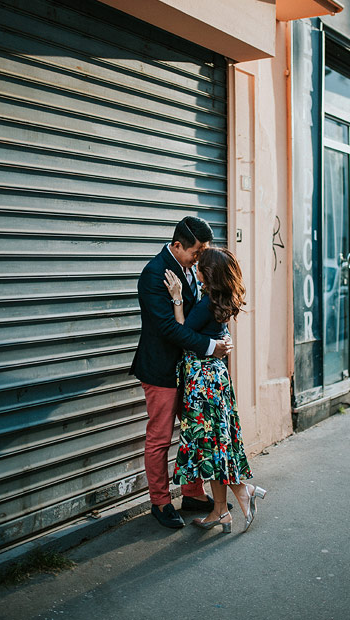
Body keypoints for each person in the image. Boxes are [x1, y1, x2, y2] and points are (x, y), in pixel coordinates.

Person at [130, 217, 233, 529]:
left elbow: (201, 314)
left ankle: (192, 493)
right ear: (177, 245)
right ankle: (160, 502)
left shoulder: (192, 269)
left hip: (191, 371)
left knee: (193, 433)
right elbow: (167, 328)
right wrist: (211, 346)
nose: (200, 258)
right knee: (160, 438)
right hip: (161, 369)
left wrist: (222, 336)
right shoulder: (153, 273)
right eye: (196, 252)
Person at [163, 246, 265, 533]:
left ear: (208, 273)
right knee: (215, 443)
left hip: (203, 380)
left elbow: (183, 333)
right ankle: (221, 511)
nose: (195, 268)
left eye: (200, 266)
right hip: (215, 377)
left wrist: (177, 299)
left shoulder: (207, 303)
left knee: (210, 444)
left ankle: (241, 491)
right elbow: (216, 332)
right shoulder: (220, 299)